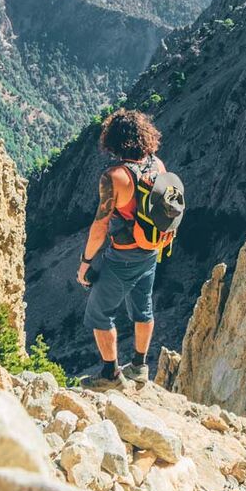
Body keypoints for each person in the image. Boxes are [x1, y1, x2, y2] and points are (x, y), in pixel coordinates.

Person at [78, 108, 166, 390]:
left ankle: (110, 374)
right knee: (144, 308)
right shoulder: (158, 166)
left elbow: (99, 226)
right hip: (151, 251)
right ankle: (140, 367)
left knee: (99, 313)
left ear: (113, 141)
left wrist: (85, 262)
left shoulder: (115, 176)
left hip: (123, 255)